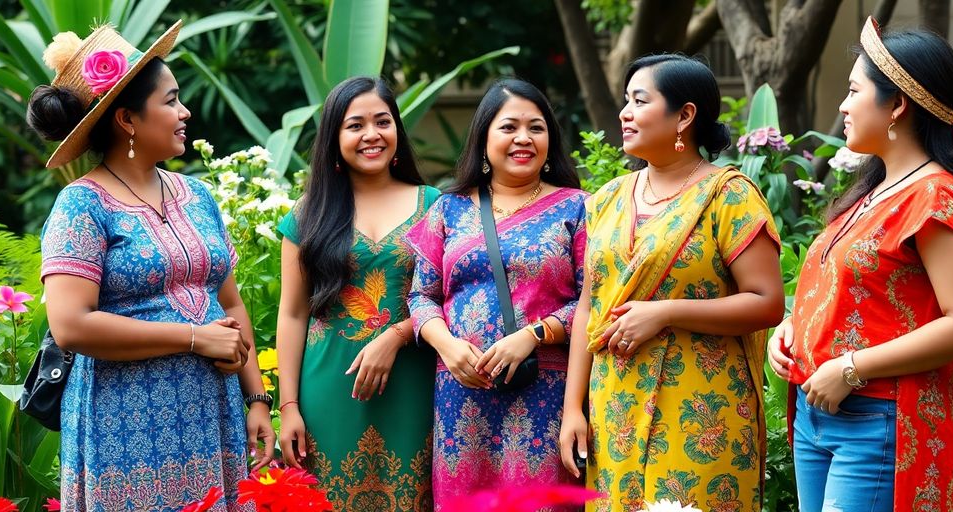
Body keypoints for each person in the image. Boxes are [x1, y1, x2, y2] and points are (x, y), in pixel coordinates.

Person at [27, 22, 274, 511]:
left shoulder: (198, 196)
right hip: (124, 424)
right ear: (127, 119)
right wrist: (194, 337)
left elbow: (229, 301)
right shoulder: (82, 205)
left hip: (212, 412)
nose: (185, 112)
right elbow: (71, 324)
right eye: (171, 100)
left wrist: (257, 399)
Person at [768, 18, 953, 512]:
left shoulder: (936, 195)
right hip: (820, 414)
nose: (842, 105)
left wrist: (850, 367)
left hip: (879, 418)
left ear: (897, 105)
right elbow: (861, 293)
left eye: (854, 90)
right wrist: (793, 329)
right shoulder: (873, 191)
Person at [559, 54, 784, 512]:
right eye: (625, 101)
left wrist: (665, 312)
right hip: (615, 407)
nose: (624, 112)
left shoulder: (730, 195)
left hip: (703, 413)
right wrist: (572, 409)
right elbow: (589, 307)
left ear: (685, 116)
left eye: (639, 101)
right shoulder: (606, 200)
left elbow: (767, 304)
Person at [405, 78, 587, 508]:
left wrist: (533, 335)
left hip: (547, 393)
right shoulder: (448, 209)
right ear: (484, 137)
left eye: (536, 128)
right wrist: (446, 346)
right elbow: (421, 296)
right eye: (509, 127)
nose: (523, 138)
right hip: (461, 393)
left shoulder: (580, 207)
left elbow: (594, 301)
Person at [275, 77, 439, 511]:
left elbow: (448, 302)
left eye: (382, 121)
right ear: (335, 138)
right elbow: (292, 315)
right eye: (355, 125)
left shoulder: (435, 205)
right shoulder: (308, 214)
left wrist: (398, 334)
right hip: (328, 389)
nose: (371, 135)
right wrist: (288, 406)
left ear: (397, 132)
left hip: (414, 382)